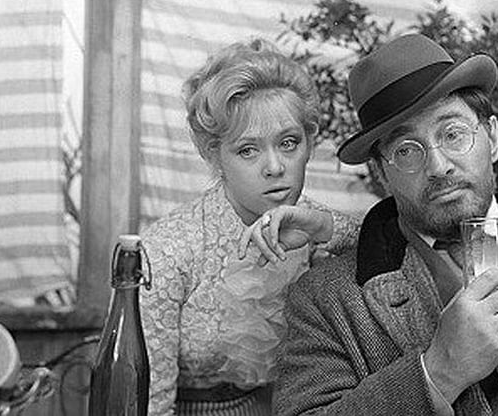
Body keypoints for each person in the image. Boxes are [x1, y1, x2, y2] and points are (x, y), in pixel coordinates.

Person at [274, 33, 498, 416]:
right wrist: (438, 371)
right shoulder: (323, 301)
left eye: (453, 134)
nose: (438, 166)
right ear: (381, 173)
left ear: (492, 137)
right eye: (406, 150)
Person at [139, 38, 359, 416]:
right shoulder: (166, 250)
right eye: (248, 150)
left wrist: (326, 228)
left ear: (309, 143)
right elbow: (149, 404)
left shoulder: (313, 223)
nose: (274, 167)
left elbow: (390, 254)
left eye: (288, 143)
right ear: (214, 154)